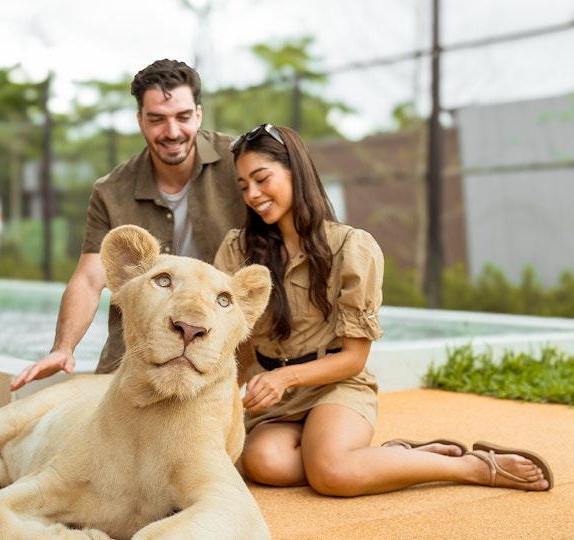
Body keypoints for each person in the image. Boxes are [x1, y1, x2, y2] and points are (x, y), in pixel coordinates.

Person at [214, 123, 553, 496]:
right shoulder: (237, 249)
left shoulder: (351, 247)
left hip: (336, 386)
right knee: (264, 463)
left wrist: (283, 378)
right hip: (278, 402)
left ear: (297, 171)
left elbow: (353, 359)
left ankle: (474, 467)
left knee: (331, 473)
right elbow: (234, 342)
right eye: (244, 185)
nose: (253, 194)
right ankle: (394, 458)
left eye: (262, 179)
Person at [11, 59, 247, 390]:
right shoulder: (110, 191)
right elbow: (89, 280)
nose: (172, 132)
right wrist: (62, 349)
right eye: (157, 119)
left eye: (182, 117)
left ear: (198, 115)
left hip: (221, 349)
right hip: (137, 354)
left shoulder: (241, 162)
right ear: (140, 121)